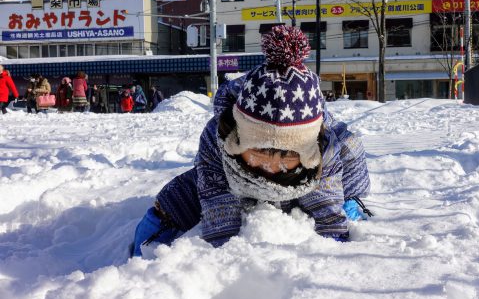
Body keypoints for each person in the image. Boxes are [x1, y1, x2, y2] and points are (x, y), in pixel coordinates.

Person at [131, 26, 372, 257]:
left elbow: (326, 201)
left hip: (309, 180)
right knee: (180, 197)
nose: (271, 166)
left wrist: (333, 237)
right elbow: (216, 196)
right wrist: (223, 248)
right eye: (259, 151)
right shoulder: (218, 137)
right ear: (238, 137)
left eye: (286, 155)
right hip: (234, 179)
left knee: (347, 164)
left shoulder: (324, 145)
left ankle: (351, 200)